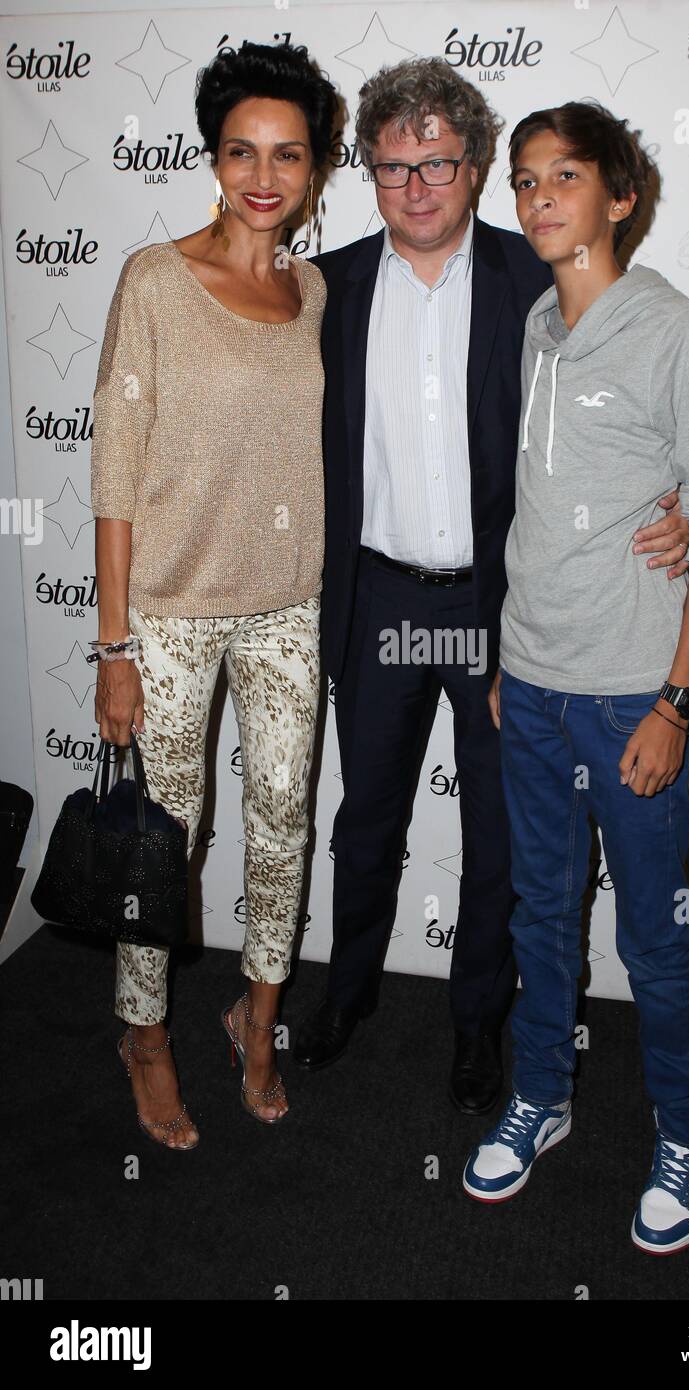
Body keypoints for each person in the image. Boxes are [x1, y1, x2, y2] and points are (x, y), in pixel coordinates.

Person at [293, 59, 689, 1116]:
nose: (414, 184)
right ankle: (347, 992)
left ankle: (477, 1023)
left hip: (496, 612)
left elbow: (627, 411)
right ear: (366, 175)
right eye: (391, 165)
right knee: (365, 816)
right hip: (377, 603)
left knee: (499, 839)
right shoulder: (326, 289)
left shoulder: (537, 275)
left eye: (436, 161)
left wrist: (682, 500)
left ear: (473, 170)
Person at [462, 100, 689, 1254]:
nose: (535, 199)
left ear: (617, 196)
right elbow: (539, 514)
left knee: (653, 935)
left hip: (635, 693)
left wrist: (678, 702)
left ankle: (685, 1131)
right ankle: (542, 1095)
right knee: (538, 916)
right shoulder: (534, 320)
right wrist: (506, 655)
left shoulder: (676, 330)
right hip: (528, 683)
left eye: (561, 178)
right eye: (522, 180)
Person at [90, 40, 337, 1147]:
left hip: (288, 604)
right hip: (171, 616)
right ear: (213, 156)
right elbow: (113, 462)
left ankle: (258, 1015)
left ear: (316, 167)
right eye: (241, 150)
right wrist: (114, 646)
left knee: (283, 824)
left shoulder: (314, 288)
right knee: (165, 840)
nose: (263, 175)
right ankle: (143, 1034)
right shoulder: (154, 277)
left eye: (287, 153)